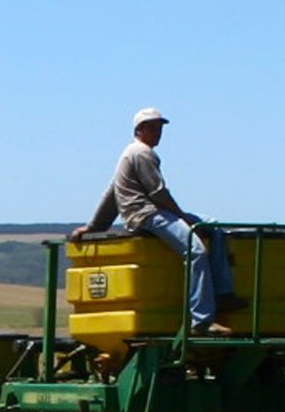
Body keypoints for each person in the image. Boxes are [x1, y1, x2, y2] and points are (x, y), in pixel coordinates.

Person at [73, 107, 237, 334]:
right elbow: (158, 192)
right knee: (196, 251)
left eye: (160, 128)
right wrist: (183, 217)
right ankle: (201, 320)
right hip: (146, 214)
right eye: (152, 127)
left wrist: (94, 227)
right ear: (139, 130)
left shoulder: (129, 154)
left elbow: (112, 194)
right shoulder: (141, 153)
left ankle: (222, 293)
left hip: (154, 211)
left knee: (212, 225)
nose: (157, 132)